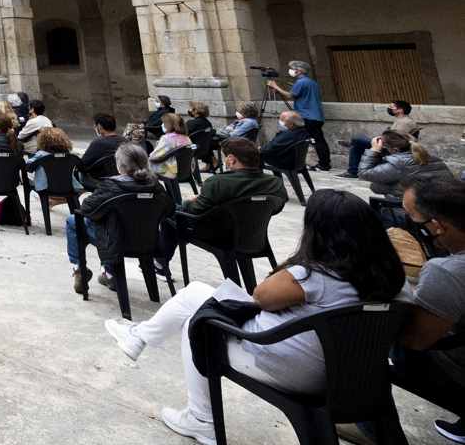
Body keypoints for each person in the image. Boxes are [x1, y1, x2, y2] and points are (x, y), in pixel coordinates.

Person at [102, 189, 404, 445]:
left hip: (289, 367)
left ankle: (200, 416)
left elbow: (261, 296)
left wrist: (300, 260)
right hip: (348, 372)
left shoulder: (313, 276)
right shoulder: (393, 280)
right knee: (196, 295)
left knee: (199, 319)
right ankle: (138, 336)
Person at [394, 178, 465, 442]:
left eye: (412, 217)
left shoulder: (447, 272)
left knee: (367, 343)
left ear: (436, 226)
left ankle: (373, 426)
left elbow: (416, 340)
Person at [68, 142, 173, 295]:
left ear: (120, 166)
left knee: (73, 221)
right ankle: (108, 272)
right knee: (108, 221)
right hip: (148, 241)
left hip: (115, 242)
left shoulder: (111, 186)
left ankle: (80, 269)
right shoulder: (157, 187)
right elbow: (169, 210)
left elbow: (86, 209)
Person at [172, 138, 288, 261]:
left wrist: (189, 202)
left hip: (219, 237)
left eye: (224, 157)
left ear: (231, 159)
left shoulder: (217, 182)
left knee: (172, 212)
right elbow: (277, 207)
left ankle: (162, 259)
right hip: (254, 236)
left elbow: (195, 211)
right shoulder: (275, 183)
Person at [265, 59, 329, 170]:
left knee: (293, 138)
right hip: (317, 116)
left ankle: (285, 160)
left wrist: (275, 86)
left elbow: (291, 95)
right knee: (319, 141)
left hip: (306, 116)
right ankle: (325, 163)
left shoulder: (301, 82)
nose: (290, 71)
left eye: (292, 69)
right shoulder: (312, 82)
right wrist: (279, 91)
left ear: (298, 71)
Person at [358, 131, 453, 204]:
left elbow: (364, 173)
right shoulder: (431, 157)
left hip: (415, 210)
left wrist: (374, 150)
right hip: (442, 205)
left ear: (395, 149)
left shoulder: (399, 163)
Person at [342, 99, 423, 178]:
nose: (390, 108)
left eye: (392, 107)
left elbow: (396, 139)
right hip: (386, 145)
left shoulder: (405, 122)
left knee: (356, 139)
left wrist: (379, 141)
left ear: (400, 110)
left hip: (390, 148)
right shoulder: (400, 120)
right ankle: (352, 171)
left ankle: (352, 165)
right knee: (356, 146)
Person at [23, 127, 79, 194]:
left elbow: (28, 168)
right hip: (68, 188)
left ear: (42, 141)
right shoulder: (69, 156)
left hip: (45, 189)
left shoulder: (41, 154)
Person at [148, 113, 192, 180]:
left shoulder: (166, 138)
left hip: (168, 171)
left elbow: (154, 157)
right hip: (184, 172)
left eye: (163, 123)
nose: (162, 125)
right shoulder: (187, 138)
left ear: (169, 125)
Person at [80, 114, 122, 179]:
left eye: (94, 126)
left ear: (99, 127)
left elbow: (82, 165)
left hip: (100, 180)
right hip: (120, 178)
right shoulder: (125, 141)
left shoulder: (98, 143)